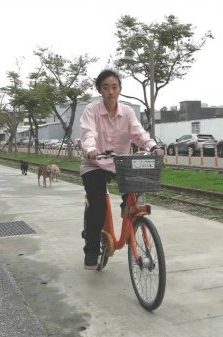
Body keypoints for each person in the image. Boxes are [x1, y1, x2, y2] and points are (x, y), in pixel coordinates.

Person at [79, 69, 164, 270]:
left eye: (114, 87)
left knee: (135, 192)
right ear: (99, 90)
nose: (110, 91)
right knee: (97, 205)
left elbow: (138, 132)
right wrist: (91, 149)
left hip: (120, 162)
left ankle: (128, 213)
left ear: (120, 89)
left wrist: (152, 146)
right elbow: (88, 132)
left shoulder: (127, 112)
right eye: (106, 87)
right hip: (94, 163)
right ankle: (91, 250)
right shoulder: (91, 110)